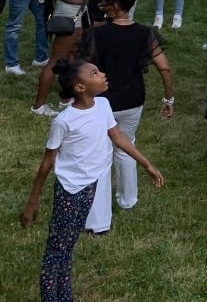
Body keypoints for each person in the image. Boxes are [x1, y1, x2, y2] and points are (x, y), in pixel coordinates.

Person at [20, 59, 163, 302]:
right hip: (70, 190)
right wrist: (32, 201)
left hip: (91, 186)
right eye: (95, 73)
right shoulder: (64, 121)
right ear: (80, 88)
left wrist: (146, 164)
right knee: (56, 250)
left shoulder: (104, 105)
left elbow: (118, 137)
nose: (103, 74)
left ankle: (64, 296)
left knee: (69, 246)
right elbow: (47, 163)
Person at [80, 0, 173, 234]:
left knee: (101, 152)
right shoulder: (145, 33)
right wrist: (168, 99)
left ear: (114, 6)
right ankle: (128, 199)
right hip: (133, 100)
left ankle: (99, 210)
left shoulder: (97, 34)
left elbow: (84, 68)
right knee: (127, 145)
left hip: (102, 100)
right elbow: (164, 68)